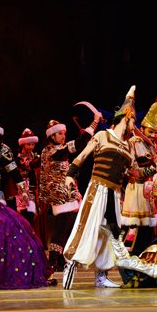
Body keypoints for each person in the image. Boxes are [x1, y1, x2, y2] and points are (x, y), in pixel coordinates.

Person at [62, 85, 138, 290]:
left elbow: (135, 173)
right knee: (88, 226)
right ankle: (71, 263)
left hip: (115, 194)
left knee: (111, 234)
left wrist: (154, 168)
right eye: (133, 121)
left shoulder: (129, 146)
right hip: (98, 189)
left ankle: (101, 276)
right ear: (126, 118)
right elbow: (82, 156)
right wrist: (70, 175)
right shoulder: (103, 135)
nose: (134, 126)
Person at [39, 113, 100, 276]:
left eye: (64, 134)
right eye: (60, 134)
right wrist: (94, 123)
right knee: (61, 230)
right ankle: (52, 261)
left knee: (65, 229)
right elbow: (78, 145)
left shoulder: (56, 150)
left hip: (66, 195)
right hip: (61, 196)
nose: (63, 137)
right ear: (52, 136)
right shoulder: (52, 151)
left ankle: (59, 260)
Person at [121, 102, 157, 255]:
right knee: (131, 224)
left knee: (146, 227)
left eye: (156, 132)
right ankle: (121, 254)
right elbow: (131, 169)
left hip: (147, 189)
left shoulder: (150, 145)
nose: (153, 135)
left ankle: (140, 254)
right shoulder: (134, 143)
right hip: (136, 188)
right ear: (142, 128)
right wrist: (151, 169)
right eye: (151, 131)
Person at [15, 128, 41, 227]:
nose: (31, 147)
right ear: (23, 144)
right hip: (22, 188)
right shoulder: (19, 158)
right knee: (23, 215)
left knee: (32, 214)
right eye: (28, 144)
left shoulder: (34, 156)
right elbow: (29, 165)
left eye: (33, 144)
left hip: (33, 189)